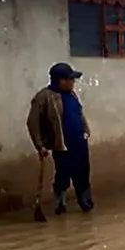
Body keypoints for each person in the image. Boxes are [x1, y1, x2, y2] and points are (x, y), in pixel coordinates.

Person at [26, 62, 94, 215]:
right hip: (62, 145)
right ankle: (60, 204)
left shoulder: (71, 94)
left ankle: (86, 203)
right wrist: (40, 146)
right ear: (61, 81)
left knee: (83, 173)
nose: (73, 82)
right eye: (71, 79)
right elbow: (32, 122)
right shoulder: (44, 97)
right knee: (63, 174)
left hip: (79, 142)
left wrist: (86, 130)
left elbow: (79, 113)